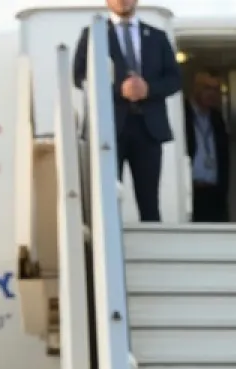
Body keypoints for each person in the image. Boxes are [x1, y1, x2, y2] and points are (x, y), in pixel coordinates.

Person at [72, 0, 182, 223]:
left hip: (148, 130)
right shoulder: (93, 34)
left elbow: (175, 80)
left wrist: (147, 89)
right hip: (109, 131)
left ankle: (152, 253)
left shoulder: (157, 37)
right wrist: (118, 89)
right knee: (107, 200)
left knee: (150, 202)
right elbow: (79, 76)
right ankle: (109, 255)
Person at [185, 71, 230, 223]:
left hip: (214, 191)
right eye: (206, 88)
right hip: (190, 190)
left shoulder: (217, 119)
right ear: (195, 88)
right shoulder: (183, 114)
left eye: (216, 89)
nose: (212, 94)